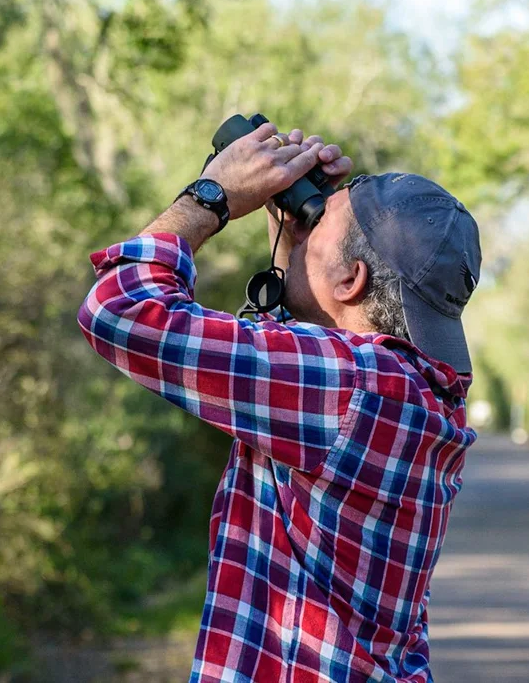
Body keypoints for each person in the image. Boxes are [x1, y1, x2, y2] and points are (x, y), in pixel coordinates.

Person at [77, 120, 482, 682]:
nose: (307, 225)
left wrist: (211, 196)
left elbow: (118, 310)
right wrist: (300, 243)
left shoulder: (349, 389)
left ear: (350, 280)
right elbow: (285, 366)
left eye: (321, 227)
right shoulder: (421, 395)